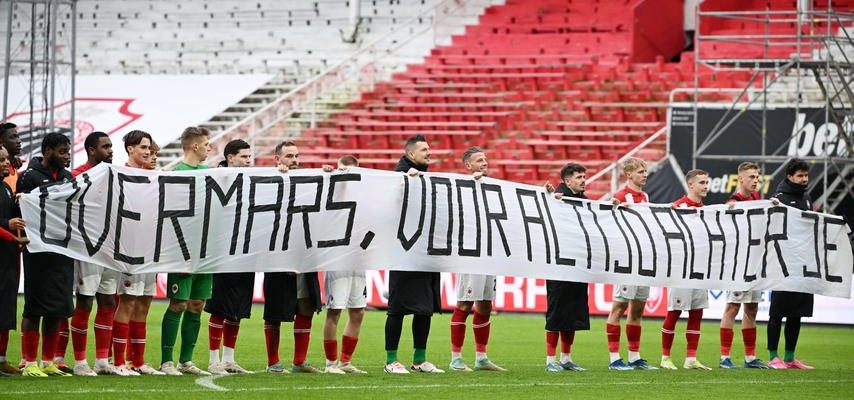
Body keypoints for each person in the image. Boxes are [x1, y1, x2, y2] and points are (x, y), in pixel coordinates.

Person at [384, 134, 444, 374]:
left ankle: (420, 360)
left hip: (425, 251)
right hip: (402, 250)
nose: (429, 153)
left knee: (424, 308)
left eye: (429, 149)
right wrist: (404, 184)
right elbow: (387, 204)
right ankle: (391, 360)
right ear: (410, 155)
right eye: (424, 150)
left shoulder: (428, 178)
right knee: (397, 308)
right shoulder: (398, 177)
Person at [17, 132, 74, 377]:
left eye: (68, 151)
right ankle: (29, 362)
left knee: (58, 309)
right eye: (62, 151)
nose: (66, 156)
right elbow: (20, 209)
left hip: (62, 249)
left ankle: (48, 361)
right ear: (47, 150)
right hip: (37, 250)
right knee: (34, 308)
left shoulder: (68, 177)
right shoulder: (28, 177)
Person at [64, 132, 119, 376]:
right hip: (87, 248)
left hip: (111, 248)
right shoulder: (78, 175)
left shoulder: (116, 175)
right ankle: (80, 362)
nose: (110, 150)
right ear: (91, 150)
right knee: (85, 301)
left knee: (108, 301)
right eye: (105, 147)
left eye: (111, 146)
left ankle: (102, 361)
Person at [160, 127, 212, 376]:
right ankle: (166, 361)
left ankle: (186, 361)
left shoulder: (209, 173)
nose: (209, 148)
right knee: (179, 303)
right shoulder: (176, 174)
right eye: (206, 144)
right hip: (182, 250)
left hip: (207, 250)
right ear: (195, 146)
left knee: (197, 305)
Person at [448, 147, 505, 372]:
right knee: (464, 303)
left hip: (489, 252)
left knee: (485, 304)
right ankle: (456, 358)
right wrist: (473, 183)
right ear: (468, 166)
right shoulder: (462, 188)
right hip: (470, 253)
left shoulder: (494, 188)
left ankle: (481, 357)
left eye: (485, 159)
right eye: (479, 160)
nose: (485, 163)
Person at [111, 130, 162, 376]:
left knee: (144, 304)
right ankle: (119, 362)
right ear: (130, 149)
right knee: (127, 302)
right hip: (128, 250)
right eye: (143, 147)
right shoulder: (119, 175)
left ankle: (138, 361)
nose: (147, 152)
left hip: (151, 249)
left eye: (149, 148)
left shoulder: (155, 178)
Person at [205, 139, 254, 375]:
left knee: (238, 309)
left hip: (246, 251)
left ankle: (229, 359)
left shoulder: (253, 180)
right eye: (244, 156)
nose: (248, 160)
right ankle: (213, 361)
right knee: (220, 307)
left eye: (249, 156)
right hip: (222, 251)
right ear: (230, 157)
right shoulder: (215, 178)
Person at [606, 157, 657, 370]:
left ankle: (634, 357)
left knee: (637, 309)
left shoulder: (644, 196)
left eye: (645, 171)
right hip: (627, 260)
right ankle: (614, 358)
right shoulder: (619, 197)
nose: (645, 174)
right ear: (629, 174)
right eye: (640, 171)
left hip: (643, 260)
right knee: (619, 307)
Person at [321, 155, 369, 375]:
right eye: (343, 169)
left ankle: (346, 362)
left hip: (358, 259)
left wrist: (366, 247)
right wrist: (328, 176)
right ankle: (331, 363)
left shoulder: (364, 197)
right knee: (335, 310)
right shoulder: (330, 192)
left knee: (358, 311)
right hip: (337, 258)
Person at [660, 169, 712, 371]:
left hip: (700, 269)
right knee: (674, 312)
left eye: (707, 182)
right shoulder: (678, 207)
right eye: (702, 182)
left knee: (696, 313)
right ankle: (665, 357)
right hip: (680, 270)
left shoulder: (705, 209)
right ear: (691, 185)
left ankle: (691, 358)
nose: (706, 186)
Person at [719, 162, 770, 369]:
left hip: (755, 263)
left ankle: (750, 358)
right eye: (751, 177)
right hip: (738, 264)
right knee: (732, 307)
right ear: (740, 179)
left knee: (752, 308)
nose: (755, 180)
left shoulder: (757, 200)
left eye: (757, 177)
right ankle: (724, 357)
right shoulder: (734, 201)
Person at [541, 163, 590, 372]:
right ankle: (550, 360)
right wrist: (549, 199)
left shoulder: (585, 201)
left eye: (584, 176)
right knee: (557, 311)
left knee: (573, 311)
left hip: (578, 263)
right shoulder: (557, 197)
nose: (583, 180)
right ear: (567, 181)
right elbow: (543, 209)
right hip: (558, 264)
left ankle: (566, 358)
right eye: (579, 177)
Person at [767, 159, 815, 370]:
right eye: (800, 176)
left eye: (806, 176)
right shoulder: (779, 199)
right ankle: (772, 357)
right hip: (782, 264)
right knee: (777, 313)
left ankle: (789, 357)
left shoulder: (806, 197)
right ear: (789, 177)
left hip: (802, 264)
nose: (804, 179)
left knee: (797, 313)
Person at [0, 144, 28, 376]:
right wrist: (9, 232)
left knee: (7, 307)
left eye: (6, 160)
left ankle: (1, 360)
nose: (5, 164)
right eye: (1, 160)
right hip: (5, 249)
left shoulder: (5, 188)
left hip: (8, 256)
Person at [0, 123, 23, 193]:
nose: (19, 141)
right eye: (13, 137)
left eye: (18, 137)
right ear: (1, 141)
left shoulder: (14, 166)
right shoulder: (3, 169)